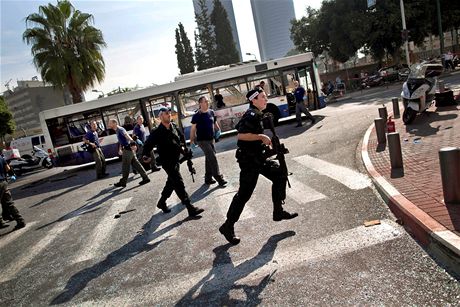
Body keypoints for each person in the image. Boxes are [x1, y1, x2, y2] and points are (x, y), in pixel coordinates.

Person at [219, 89, 298, 245]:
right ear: (254, 100)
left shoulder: (258, 114)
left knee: (280, 174)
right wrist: (261, 137)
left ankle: (278, 211)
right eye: (263, 97)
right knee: (244, 194)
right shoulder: (251, 115)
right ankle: (228, 225)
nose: (266, 99)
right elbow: (241, 135)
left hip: (259, 158)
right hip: (249, 162)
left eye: (265, 96)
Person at [142, 107, 204, 217]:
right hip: (167, 161)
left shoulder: (174, 127)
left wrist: (185, 152)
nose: (169, 114)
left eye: (169, 113)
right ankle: (190, 208)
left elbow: (180, 141)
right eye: (166, 113)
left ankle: (161, 202)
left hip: (176, 159)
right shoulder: (157, 132)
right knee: (178, 183)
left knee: (171, 183)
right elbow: (148, 145)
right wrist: (145, 155)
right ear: (160, 117)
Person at [190, 96, 227, 186]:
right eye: (205, 101)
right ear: (200, 103)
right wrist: (191, 141)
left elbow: (214, 122)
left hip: (211, 139)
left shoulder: (211, 112)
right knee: (212, 158)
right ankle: (219, 178)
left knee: (209, 158)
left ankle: (208, 178)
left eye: (207, 101)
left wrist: (218, 130)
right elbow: (193, 129)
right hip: (202, 141)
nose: (207, 103)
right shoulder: (197, 116)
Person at [108, 119, 150, 188]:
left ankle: (123, 182)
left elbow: (127, 135)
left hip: (127, 150)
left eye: (110, 123)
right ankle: (145, 178)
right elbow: (122, 141)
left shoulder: (120, 129)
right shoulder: (117, 130)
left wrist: (133, 143)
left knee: (125, 166)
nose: (108, 124)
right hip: (128, 149)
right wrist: (120, 149)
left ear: (114, 123)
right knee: (137, 164)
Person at [0, 155, 25, 230]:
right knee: (9, 203)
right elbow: (7, 168)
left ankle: (1, 221)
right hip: (3, 183)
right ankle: (20, 220)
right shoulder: (1, 157)